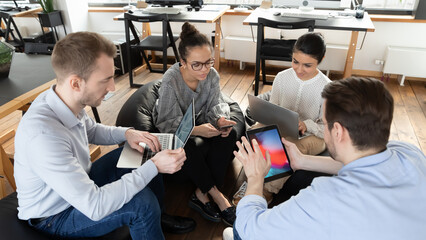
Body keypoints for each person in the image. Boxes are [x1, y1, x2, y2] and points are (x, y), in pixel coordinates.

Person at [14, 32, 196, 239]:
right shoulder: (43, 136)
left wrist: (128, 133)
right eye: (106, 80)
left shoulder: (64, 98)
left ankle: (158, 217)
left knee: (143, 151)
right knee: (141, 204)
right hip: (55, 216)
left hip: (78, 188)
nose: (112, 87)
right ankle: (150, 215)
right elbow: (95, 206)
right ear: (76, 83)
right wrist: (154, 167)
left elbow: (90, 130)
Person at [224, 77, 426, 240]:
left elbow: (251, 229)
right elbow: (363, 164)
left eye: (326, 122)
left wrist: (256, 178)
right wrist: (302, 160)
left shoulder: (326, 197)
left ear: (337, 131)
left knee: (238, 233)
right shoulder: (409, 152)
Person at [153, 22, 237, 226]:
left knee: (230, 134)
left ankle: (201, 192)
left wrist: (220, 121)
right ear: (182, 61)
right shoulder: (171, 81)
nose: (204, 69)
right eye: (196, 64)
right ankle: (217, 195)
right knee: (184, 145)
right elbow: (166, 123)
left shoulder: (212, 76)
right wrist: (197, 130)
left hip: (197, 119)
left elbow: (215, 104)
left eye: (209, 62)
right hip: (172, 125)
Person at [233, 32, 331, 205]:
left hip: (313, 135)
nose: (299, 69)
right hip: (283, 128)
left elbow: (327, 129)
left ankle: (265, 191)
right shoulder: (281, 78)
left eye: (307, 65)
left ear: (321, 59)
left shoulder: (327, 87)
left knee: (290, 148)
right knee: (255, 132)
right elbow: (273, 109)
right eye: (295, 62)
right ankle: (252, 181)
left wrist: (306, 125)